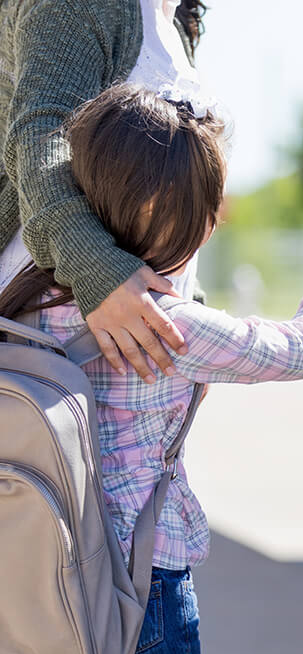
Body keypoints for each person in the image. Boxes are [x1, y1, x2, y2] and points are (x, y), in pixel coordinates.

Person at [0, 83, 303, 654]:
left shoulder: (23, 299)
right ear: (187, 220)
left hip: (38, 574)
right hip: (143, 582)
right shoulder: (166, 327)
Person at [0, 0, 214, 386]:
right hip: (54, 321)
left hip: (131, 325)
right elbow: (40, 138)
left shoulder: (173, 19)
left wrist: (191, 301)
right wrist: (96, 270)